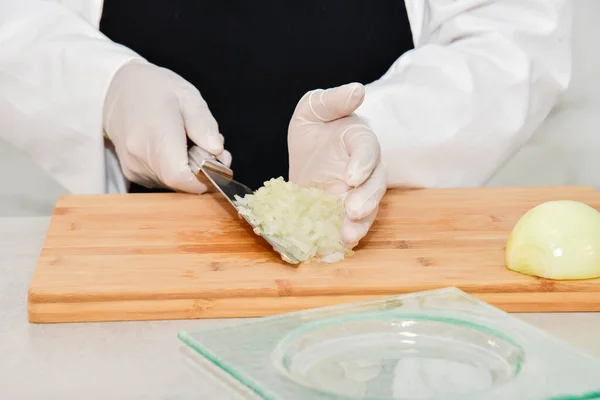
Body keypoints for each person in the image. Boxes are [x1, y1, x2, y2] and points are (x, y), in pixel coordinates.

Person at [0, 1, 572, 247]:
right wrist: (104, 86)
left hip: (383, 257)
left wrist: (384, 128)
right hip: (141, 248)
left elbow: (511, 34)